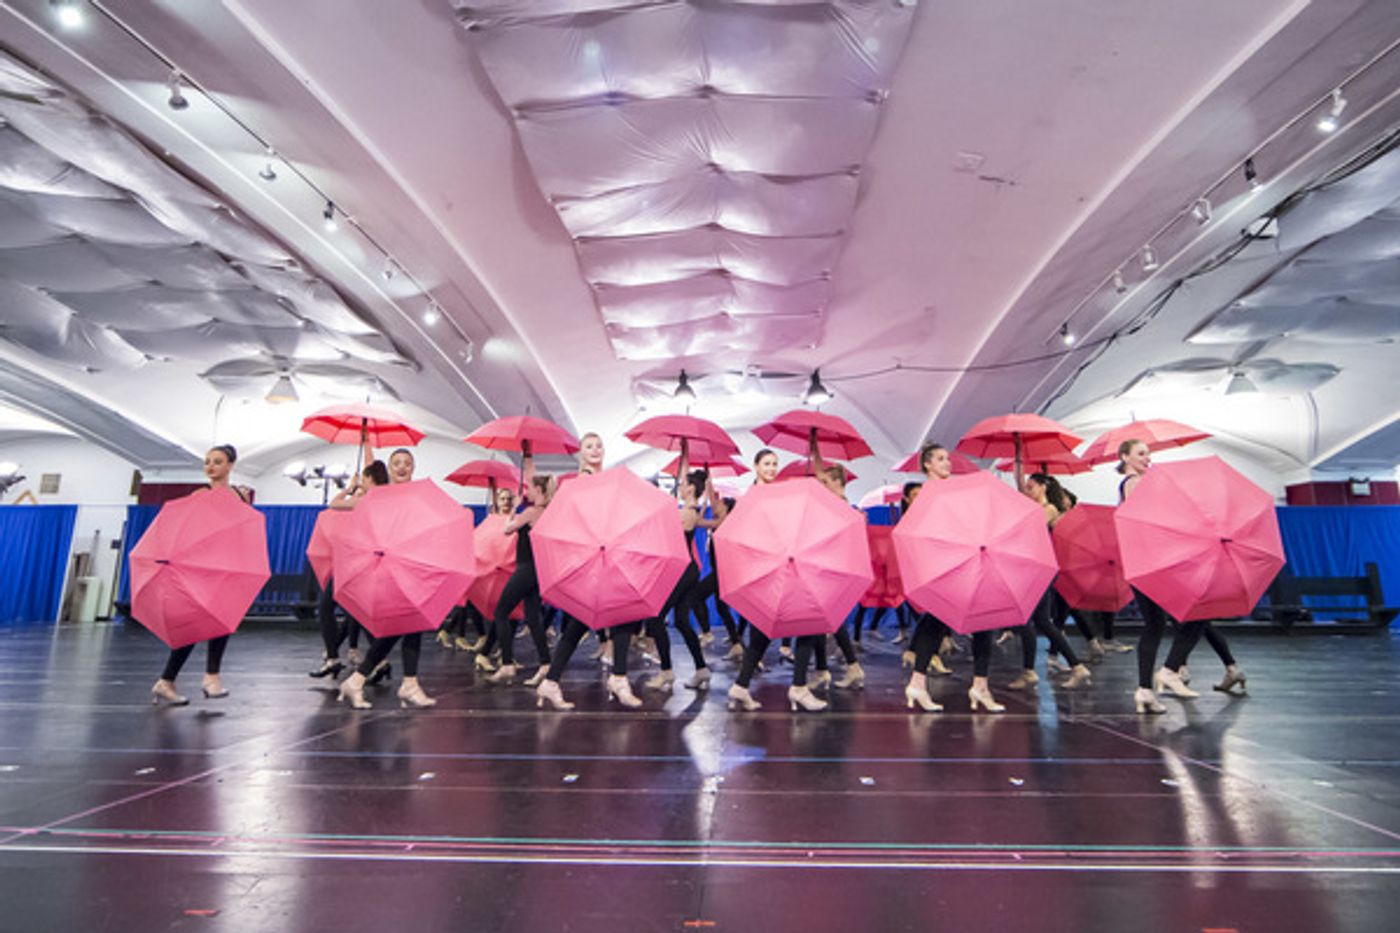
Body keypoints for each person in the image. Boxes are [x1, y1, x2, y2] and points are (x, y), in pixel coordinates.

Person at [150, 444, 252, 706]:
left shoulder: (241, 495)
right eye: (207, 461)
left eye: (217, 461)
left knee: (221, 621)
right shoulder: (200, 494)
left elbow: (244, 529)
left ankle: (179, 680)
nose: (210, 466)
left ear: (230, 465)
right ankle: (199, 678)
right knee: (198, 625)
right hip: (202, 568)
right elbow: (188, 531)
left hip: (228, 566)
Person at [907, 442, 1004, 713]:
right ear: (927, 464)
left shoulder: (950, 490)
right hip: (946, 565)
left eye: (947, 459)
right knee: (938, 622)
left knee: (976, 621)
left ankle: (978, 685)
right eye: (940, 459)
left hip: (963, 562)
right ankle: (921, 682)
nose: (947, 463)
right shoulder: (928, 492)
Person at [336, 447, 436, 710]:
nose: (402, 467)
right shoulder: (378, 497)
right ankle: (396, 683)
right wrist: (352, 487)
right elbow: (341, 508)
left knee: (409, 624)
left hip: (412, 566)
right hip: (388, 568)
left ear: (413, 467)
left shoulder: (419, 496)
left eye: (407, 463)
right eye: (396, 463)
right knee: (404, 625)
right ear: (389, 469)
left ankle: (376, 681)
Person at [1009, 473, 1094, 691]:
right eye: (1026, 488)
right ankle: (1074, 667)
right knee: (1042, 622)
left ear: (1043, 487)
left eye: (1031, 487)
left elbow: (1029, 529)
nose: (1028, 491)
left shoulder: (1049, 510)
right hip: (1036, 570)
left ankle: (1033, 671)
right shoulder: (1037, 508)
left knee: (1028, 619)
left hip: (1040, 571)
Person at [310, 460, 388, 679]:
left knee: (327, 606)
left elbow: (334, 504)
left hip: (353, 562)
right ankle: (380, 662)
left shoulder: (365, 501)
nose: (362, 482)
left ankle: (333, 657)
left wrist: (351, 488)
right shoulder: (387, 499)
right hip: (369, 563)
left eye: (364, 478)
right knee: (358, 614)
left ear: (370, 478)